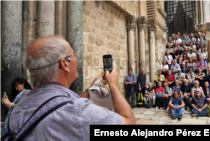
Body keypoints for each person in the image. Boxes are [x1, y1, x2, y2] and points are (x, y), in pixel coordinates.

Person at [7, 36, 136, 141]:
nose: (76, 58)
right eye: (73, 54)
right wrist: (113, 85)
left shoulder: (20, 103)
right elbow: (128, 124)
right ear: (64, 64)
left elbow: (59, 105)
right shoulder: (78, 112)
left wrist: (91, 87)